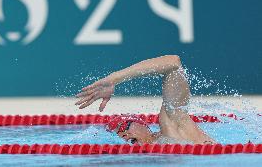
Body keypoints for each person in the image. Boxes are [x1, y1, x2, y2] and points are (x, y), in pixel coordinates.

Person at [75, 55, 215, 145]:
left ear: (144, 126)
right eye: (118, 136)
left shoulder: (171, 126)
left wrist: (114, 78)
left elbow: (174, 63)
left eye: (124, 126)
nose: (124, 135)